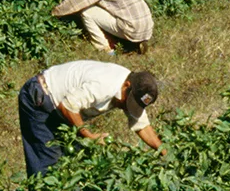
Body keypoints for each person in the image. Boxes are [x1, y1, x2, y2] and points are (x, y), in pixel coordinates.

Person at [17, 60, 162, 175]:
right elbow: (68, 106)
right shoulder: (104, 86)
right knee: (47, 163)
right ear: (127, 85)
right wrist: (90, 136)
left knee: (78, 160)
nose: (126, 107)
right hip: (40, 98)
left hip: (62, 108)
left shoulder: (131, 86)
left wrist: (164, 151)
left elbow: (142, 125)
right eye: (128, 102)